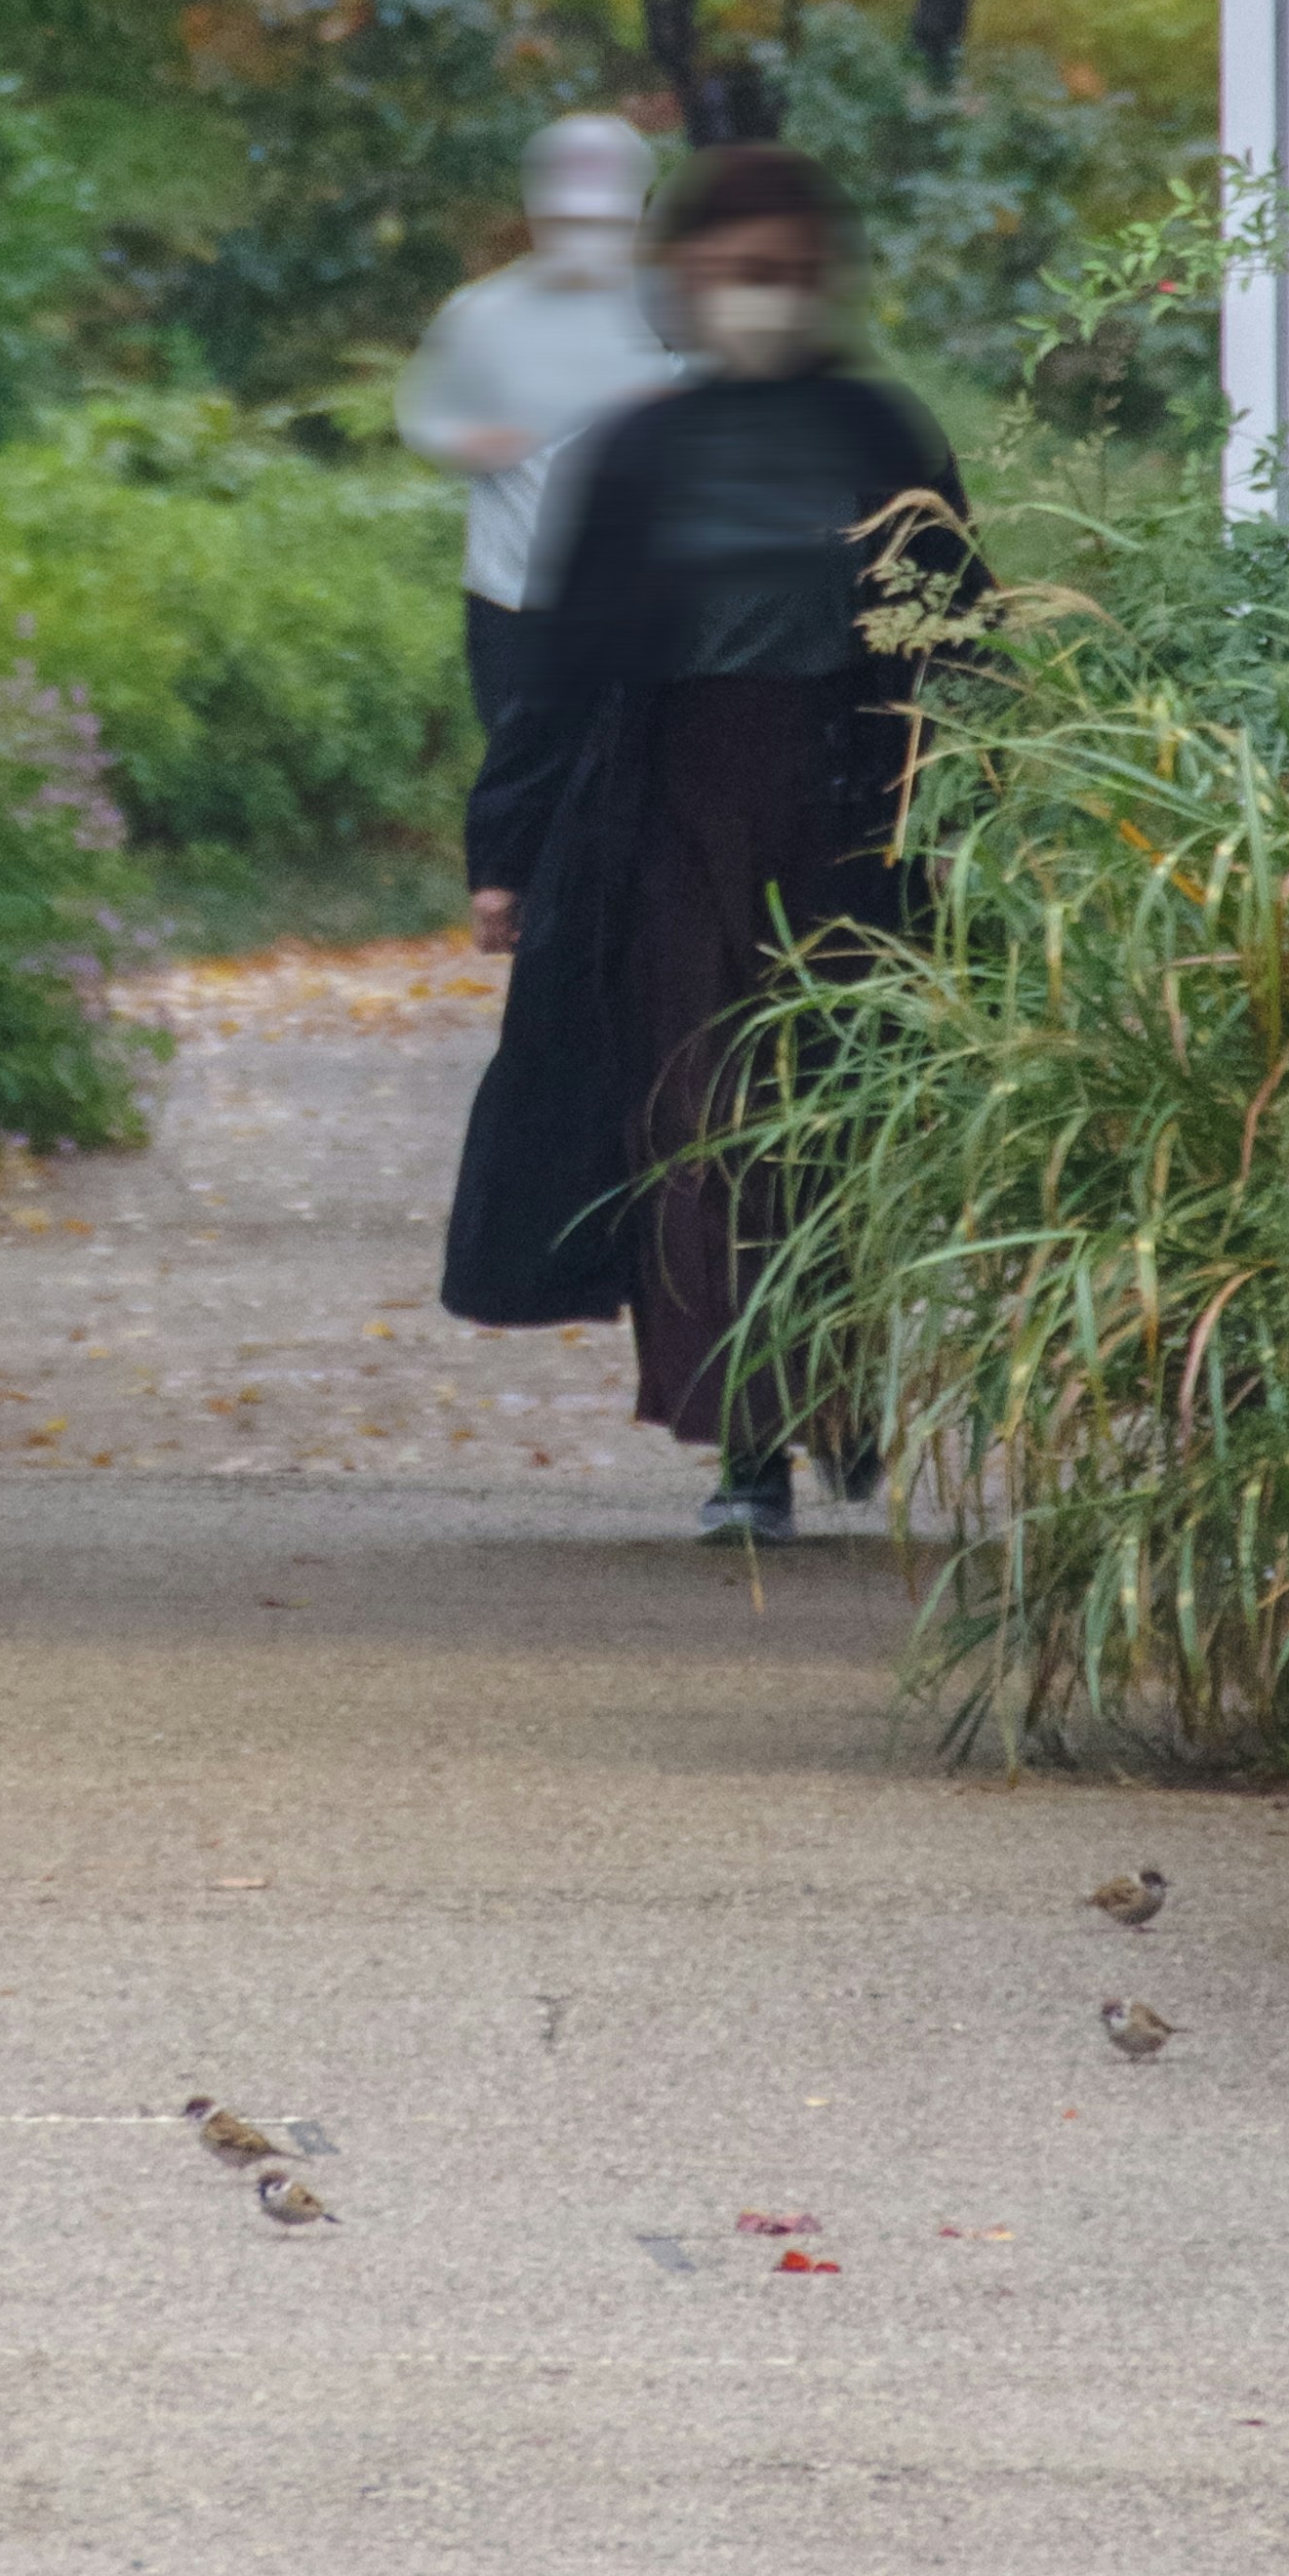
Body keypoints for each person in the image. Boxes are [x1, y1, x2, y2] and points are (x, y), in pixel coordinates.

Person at [439, 143, 982, 1544]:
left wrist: (981, 818)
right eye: (741, 271)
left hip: (849, 824)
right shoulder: (640, 450)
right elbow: (559, 663)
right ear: (689, 280)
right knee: (699, 1121)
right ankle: (746, 1441)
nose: (764, 297)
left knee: (841, 1121)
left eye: (790, 274)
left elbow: (964, 638)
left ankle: (843, 1390)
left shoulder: (882, 433)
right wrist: (506, 851)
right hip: (668, 831)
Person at [393, 114, 675, 757]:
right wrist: (468, 441)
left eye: (604, 223)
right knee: (526, 769)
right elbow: (423, 410)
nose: (587, 240)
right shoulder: (485, 312)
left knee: (629, 770)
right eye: (571, 222)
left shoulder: (674, 314)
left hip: (641, 598)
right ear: (537, 211)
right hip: (515, 597)